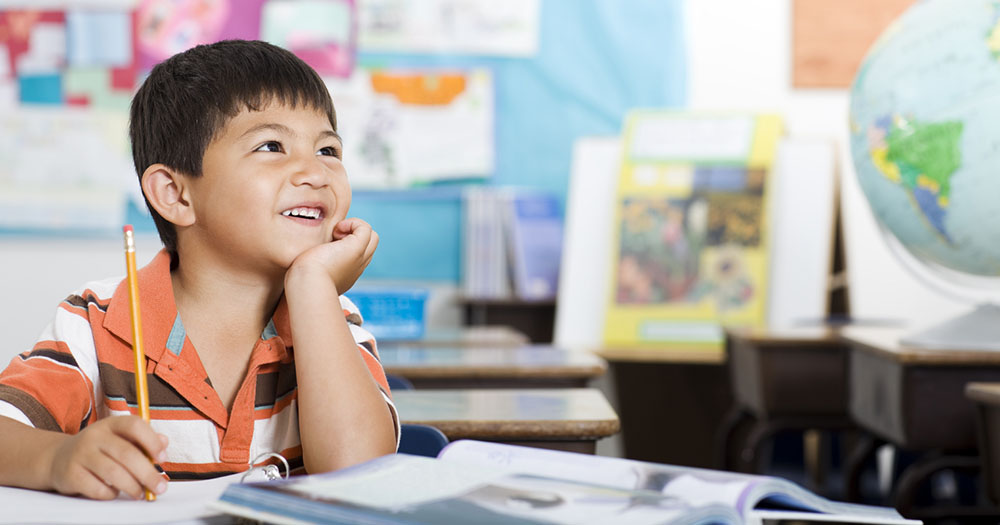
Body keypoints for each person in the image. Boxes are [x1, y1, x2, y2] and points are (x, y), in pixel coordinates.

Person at [0, 40, 399, 500]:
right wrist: (57, 459)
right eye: (272, 146)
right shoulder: (96, 322)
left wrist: (313, 288)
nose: (315, 172)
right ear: (176, 195)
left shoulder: (331, 319)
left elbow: (362, 479)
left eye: (329, 150)